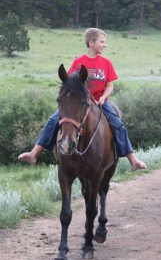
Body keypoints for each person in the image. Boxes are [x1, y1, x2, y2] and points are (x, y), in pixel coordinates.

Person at [18, 28, 147, 170]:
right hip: (80, 103)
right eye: (102, 42)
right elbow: (69, 84)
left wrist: (104, 96)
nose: (105, 45)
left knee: (118, 124)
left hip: (99, 102)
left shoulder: (106, 63)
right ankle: (34, 153)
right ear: (91, 42)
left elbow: (110, 85)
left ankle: (133, 160)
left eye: (105, 42)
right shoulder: (79, 62)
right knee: (53, 120)